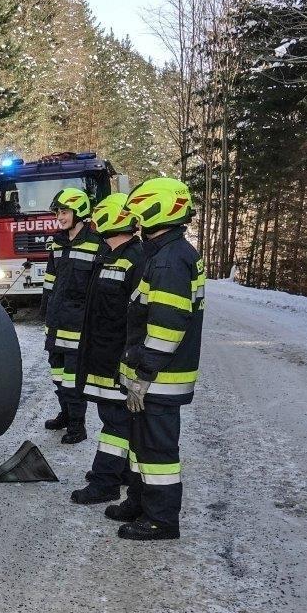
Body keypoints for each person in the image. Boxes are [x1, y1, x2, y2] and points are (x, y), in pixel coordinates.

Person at [106, 177, 205, 541]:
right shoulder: (166, 253)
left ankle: (161, 520)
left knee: (157, 450)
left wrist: (144, 371)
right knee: (139, 444)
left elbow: (166, 327)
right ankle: (140, 501)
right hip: (154, 374)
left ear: (156, 209)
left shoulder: (168, 262)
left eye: (139, 210)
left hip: (159, 377)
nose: (135, 218)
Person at [69, 192, 145, 505]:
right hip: (100, 356)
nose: (93, 220)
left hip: (117, 360)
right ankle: (122, 470)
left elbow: (137, 319)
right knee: (111, 417)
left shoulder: (134, 260)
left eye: (99, 215)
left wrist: (130, 360)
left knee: (116, 421)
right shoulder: (110, 255)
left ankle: (105, 481)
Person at [40, 187, 105, 445]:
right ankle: (65, 415)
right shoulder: (57, 242)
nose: (60, 216)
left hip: (78, 325)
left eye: (64, 211)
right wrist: (46, 312)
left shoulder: (97, 243)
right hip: (56, 321)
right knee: (57, 374)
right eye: (58, 212)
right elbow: (50, 280)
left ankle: (78, 427)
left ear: (79, 212)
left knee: (72, 379)